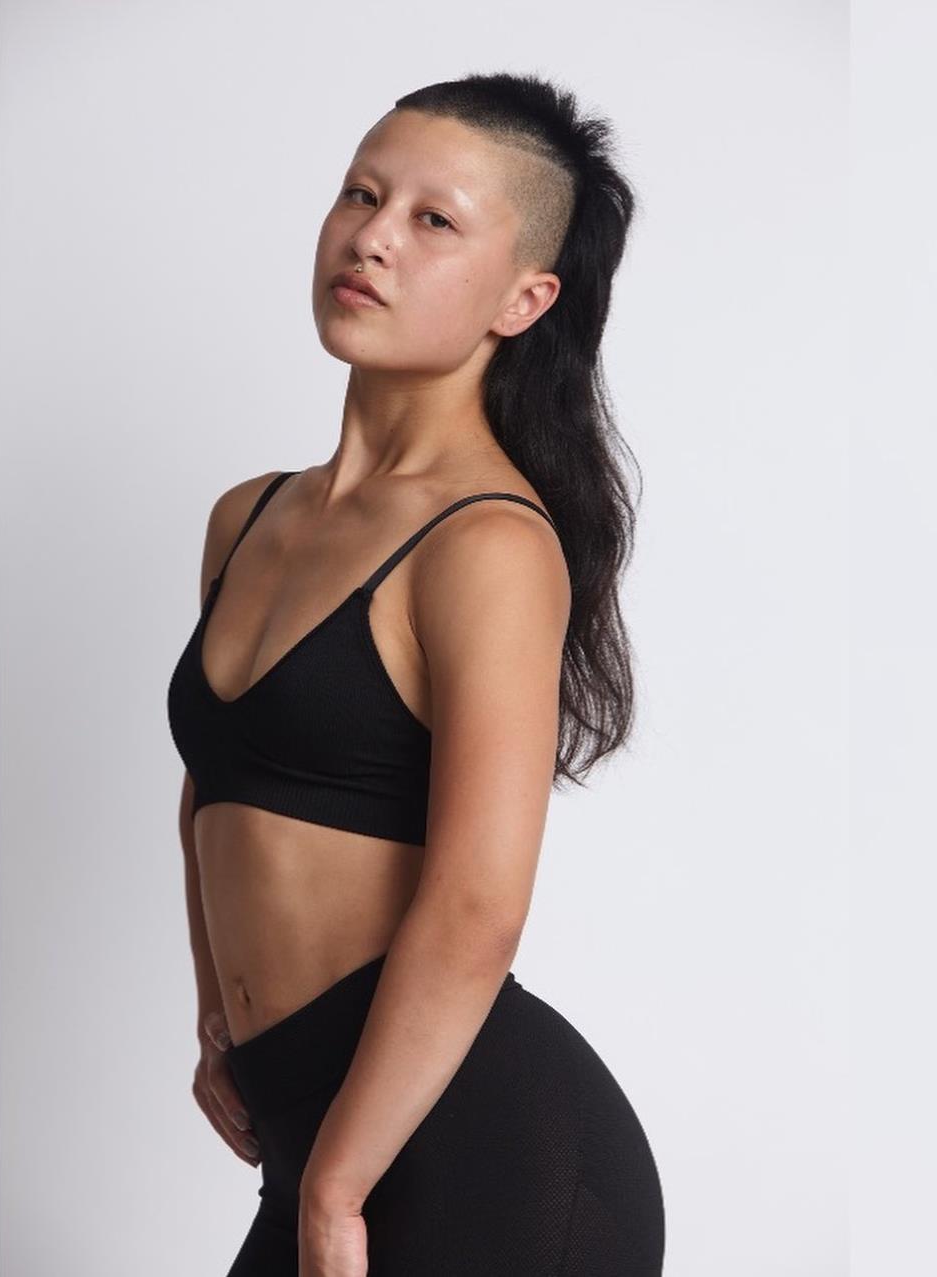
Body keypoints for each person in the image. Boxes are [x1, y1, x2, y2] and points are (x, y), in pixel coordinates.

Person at [167, 70, 665, 1277]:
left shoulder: (487, 543)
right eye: (360, 194)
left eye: (434, 219)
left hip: (473, 1150)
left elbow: (478, 901)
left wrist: (336, 1187)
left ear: (524, 298)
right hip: (311, 1126)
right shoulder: (248, 517)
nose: (372, 237)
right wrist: (219, 1009)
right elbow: (213, 783)